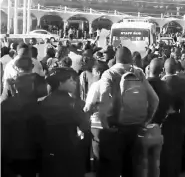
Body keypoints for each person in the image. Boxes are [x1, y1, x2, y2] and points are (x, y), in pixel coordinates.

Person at [97, 46, 159, 177]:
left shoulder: (109, 74)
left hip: (115, 127)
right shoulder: (139, 73)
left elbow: (104, 99)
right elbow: (155, 99)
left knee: (112, 168)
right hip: (136, 126)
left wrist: (104, 123)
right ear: (131, 59)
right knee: (132, 168)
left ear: (115, 59)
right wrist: (146, 120)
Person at [40, 67, 90, 177]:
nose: (74, 83)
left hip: (48, 153)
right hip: (69, 152)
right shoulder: (74, 104)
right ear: (60, 83)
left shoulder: (42, 103)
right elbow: (85, 126)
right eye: (71, 80)